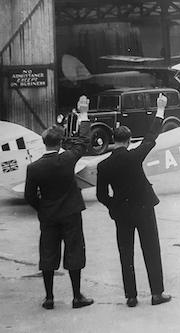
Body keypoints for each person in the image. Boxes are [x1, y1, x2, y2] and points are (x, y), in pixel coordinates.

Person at [96, 93, 171, 307]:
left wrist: (115, 206)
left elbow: (102, 195)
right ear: (128, 141)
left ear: (113, 140)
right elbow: (150, 137)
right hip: (144, 208)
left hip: (122, 212)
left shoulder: (104, 166)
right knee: (151, 249)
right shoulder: (135, 156)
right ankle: (157, 294)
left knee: (125, 253)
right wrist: (160, 110)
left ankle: (131, 296)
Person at [24, 96, 94, 310]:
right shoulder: (67, 159)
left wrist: (43, 207)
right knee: (74, 252)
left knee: (47, 254)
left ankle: (49, 298)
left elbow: (29, 196)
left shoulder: (34, 168)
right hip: (71, 212)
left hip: (49, 216)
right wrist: (83, 114)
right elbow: (83, 141)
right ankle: (76, 297)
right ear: (60, 142)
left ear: (44, 142)